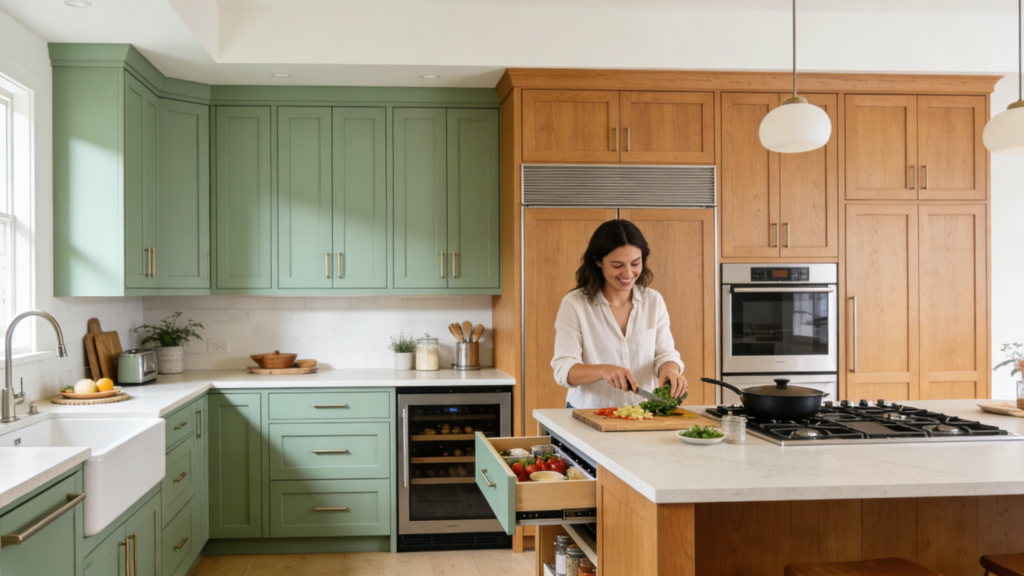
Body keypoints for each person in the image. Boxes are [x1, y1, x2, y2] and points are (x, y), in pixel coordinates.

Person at [551, 219, 688, 409]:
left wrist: (670, 370)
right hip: (589, 412)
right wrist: (604, 370)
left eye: (635, 263)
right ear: (598, 261)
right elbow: (563, 369)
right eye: (617, 265)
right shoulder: (575, 304)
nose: (628, 273)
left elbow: (665, 354)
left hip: (643, 413)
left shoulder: (653, 301)